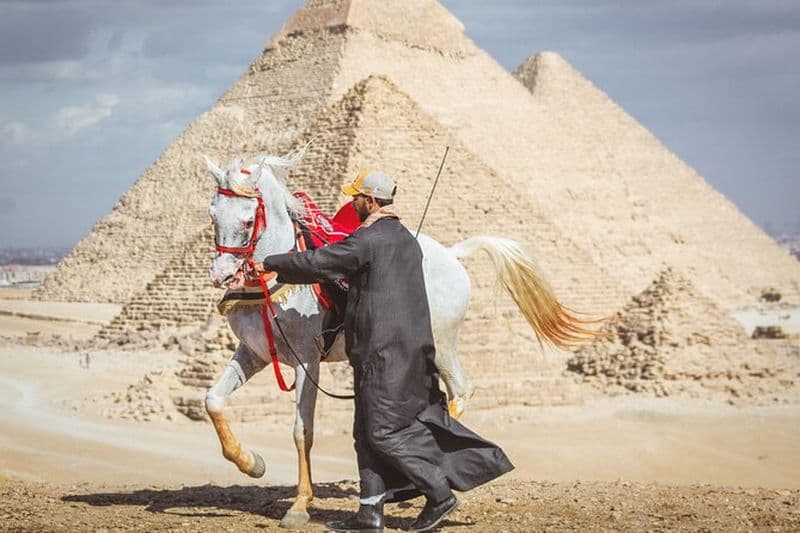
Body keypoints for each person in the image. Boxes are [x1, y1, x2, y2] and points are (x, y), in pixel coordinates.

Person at [256, 169, 513, 532]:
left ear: (371, 201)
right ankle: (369, 513)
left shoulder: (369, 241)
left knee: (382, 433)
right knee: (364, 433)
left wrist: (270, 263)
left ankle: (440, 493)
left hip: (386, 355)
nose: (351, 203)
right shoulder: (405, 239)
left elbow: (318, 263)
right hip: (394, 353)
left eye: (356, 198)